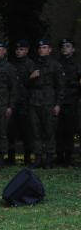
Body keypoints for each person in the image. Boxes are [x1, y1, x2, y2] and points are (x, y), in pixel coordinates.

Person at [28, 39, 65, 169]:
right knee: (36, 131)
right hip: (34, 101)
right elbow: (25, 84)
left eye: (44, 47)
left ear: (49, 50)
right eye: (40, 48)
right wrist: (31, 77)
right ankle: (38, 158)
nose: (41, 50)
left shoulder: (55, 65)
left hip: (49, 101)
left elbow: (61, 86)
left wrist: (58, 104)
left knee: (49, 131)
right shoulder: (33, 64)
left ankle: (49, 158)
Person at [56, 38, 81, 166]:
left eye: (68, 46)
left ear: (73, 49)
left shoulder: (77, 66)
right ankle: (59, 156)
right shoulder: (57, 64)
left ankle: (68, 158)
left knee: (69, 130)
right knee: (58, 130)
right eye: (63, 46)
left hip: (71, 102)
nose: (65, 48)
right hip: (58, 103)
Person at [11, 40, 35, 165]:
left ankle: (27, 157)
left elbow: (33, 83)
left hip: (25, 101)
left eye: (21, 49)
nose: (18, 51)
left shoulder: (30, 64)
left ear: (26, 51)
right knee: (11, 130)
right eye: (17, 49)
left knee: (27, 131)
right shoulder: (13, 64)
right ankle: (10, 157)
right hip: (13, 101)